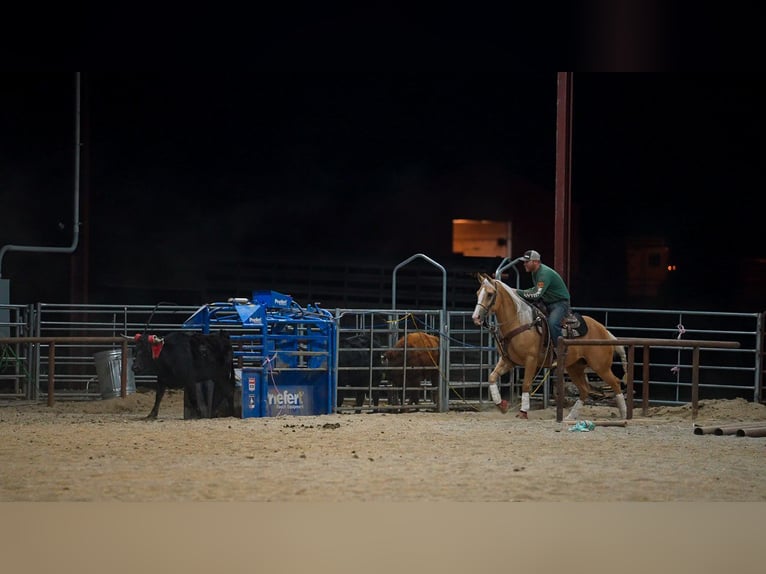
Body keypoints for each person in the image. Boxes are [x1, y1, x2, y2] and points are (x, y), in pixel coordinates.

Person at [518, 249, 571, 359]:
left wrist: (517, 292)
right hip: (548, 302)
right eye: (524, 262)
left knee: (552, 323)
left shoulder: (544, 274)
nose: (524, 264)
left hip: (560, 303)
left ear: (536, 262)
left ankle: (561, 353)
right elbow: (536, 289)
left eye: (527, 262)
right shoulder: (536, 272)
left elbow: (536, 294)